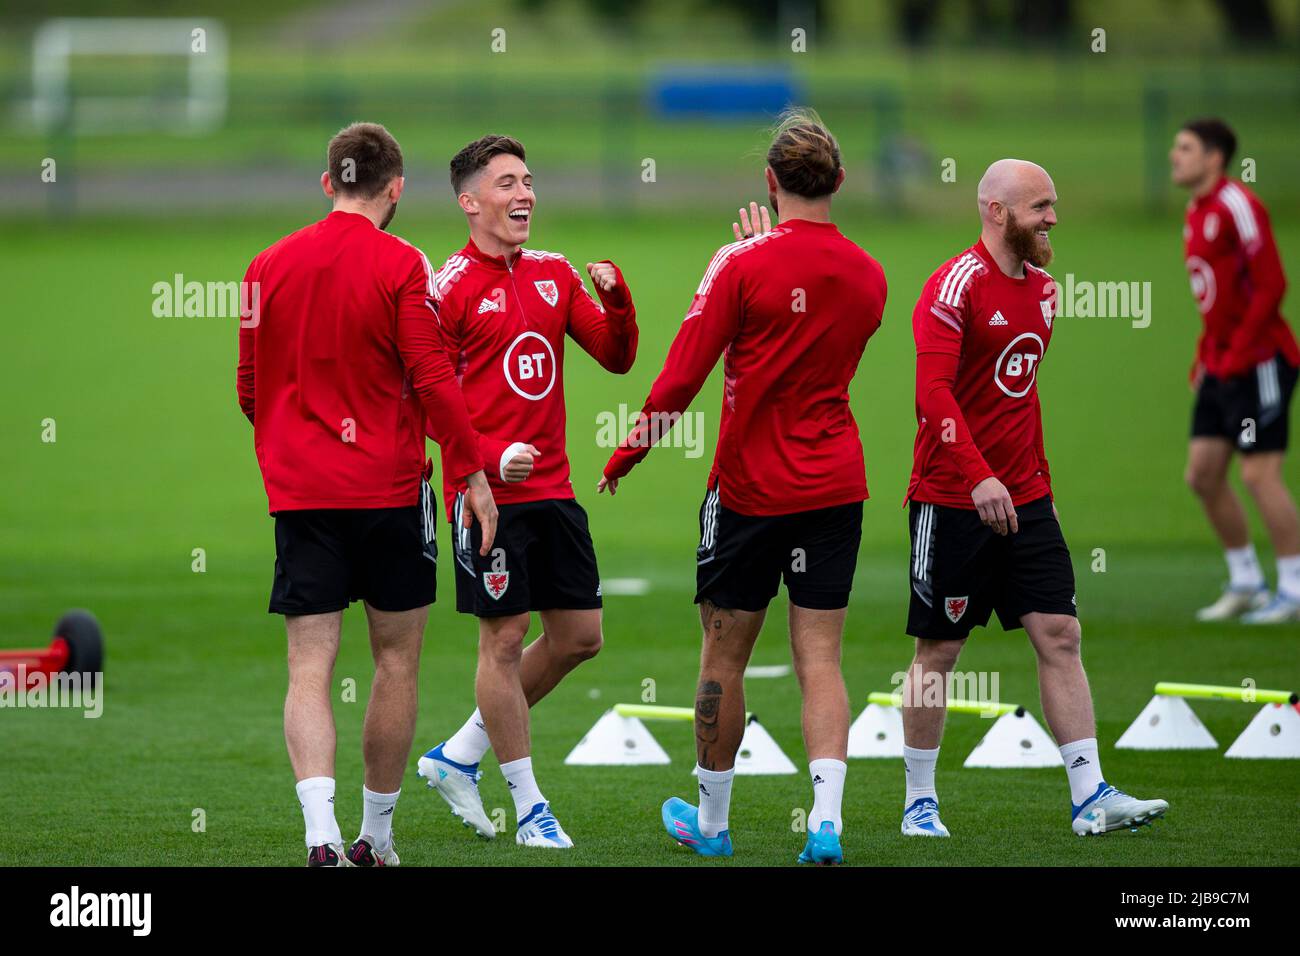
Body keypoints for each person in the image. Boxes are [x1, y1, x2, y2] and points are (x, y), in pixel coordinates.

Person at [600, 109, 886, 864]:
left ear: (769, 180)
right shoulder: (869, 274)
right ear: (841, 181)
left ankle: (714, 824)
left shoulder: (740, 266)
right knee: (820, 658)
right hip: (836, 487)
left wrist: (628, 451)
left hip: (750, 494)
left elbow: (681, 378)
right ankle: (825, 821)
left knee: (722, 659)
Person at [237, 122, 506, 867]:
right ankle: (376, 837)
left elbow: (248, 390)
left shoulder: (264, 266)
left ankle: (318, 830)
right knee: (395, 663)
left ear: (328, 183)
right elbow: (432, 377)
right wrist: (473, 472)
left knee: (308, 666)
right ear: (396, 189)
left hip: (302, 497)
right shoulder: (403, 265)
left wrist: (295, 444)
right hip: (389, 494)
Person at [898, 158, 1168, 838]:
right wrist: (978, 474)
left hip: (1027, 499)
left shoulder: (1046, 292)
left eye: (1054, 204)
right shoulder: (953, 285)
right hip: (953, 498)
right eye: (1041, 206)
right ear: (997, 212)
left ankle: (1090, 797)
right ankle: (919, 801)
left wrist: (1026, 481)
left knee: (1060, 633)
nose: (1054, 218)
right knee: (940, 651)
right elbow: (932, 395)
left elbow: (1014, 399)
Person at [415, 135, 638, 849]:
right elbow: (426, 400)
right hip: (485, 499)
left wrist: (619, 302)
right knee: (504, 641)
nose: (525, 195)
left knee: (580, 637)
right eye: (507, 184)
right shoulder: (448, 288)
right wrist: (482, 459)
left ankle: (458, 755)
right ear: (470, 202)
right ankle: (530, 805)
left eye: (529, 181)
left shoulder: (552, 273)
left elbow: (614, 356)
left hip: (554, 492)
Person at [1171, 118, 1300, 623]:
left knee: (1258, 474)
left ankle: (1292, 588)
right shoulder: (1195, 210)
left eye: (1185, 148)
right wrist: (1207, 353)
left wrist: (1238, 352)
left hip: (1261, 361)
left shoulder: (1238, 206)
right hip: (1221, 363)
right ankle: (1246, 579)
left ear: (1215, 157)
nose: (1174, 156)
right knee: (1203, 474)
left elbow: (1271, 286)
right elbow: (1215, 295)